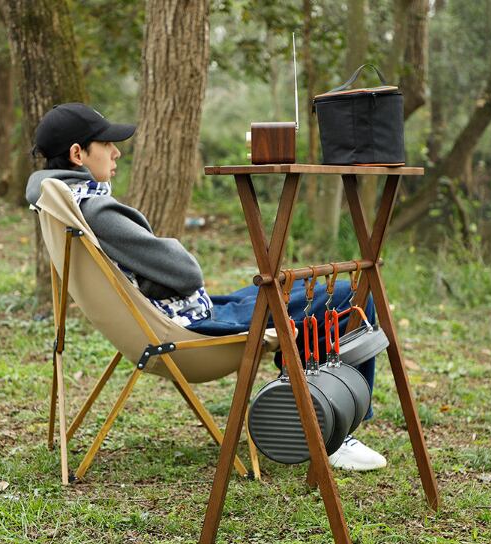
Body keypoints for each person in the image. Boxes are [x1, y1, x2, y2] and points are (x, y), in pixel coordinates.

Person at [26, 103, 386, 471]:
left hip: (169, 320)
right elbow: (187, 273)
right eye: (106, 144)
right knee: (347, 295)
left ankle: (308, 409)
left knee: (299, 285)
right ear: (77, 154)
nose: (116, 152)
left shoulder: (59, 204)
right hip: (191, 330)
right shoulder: (97, 211)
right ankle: (334, 429)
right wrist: (167, 256)